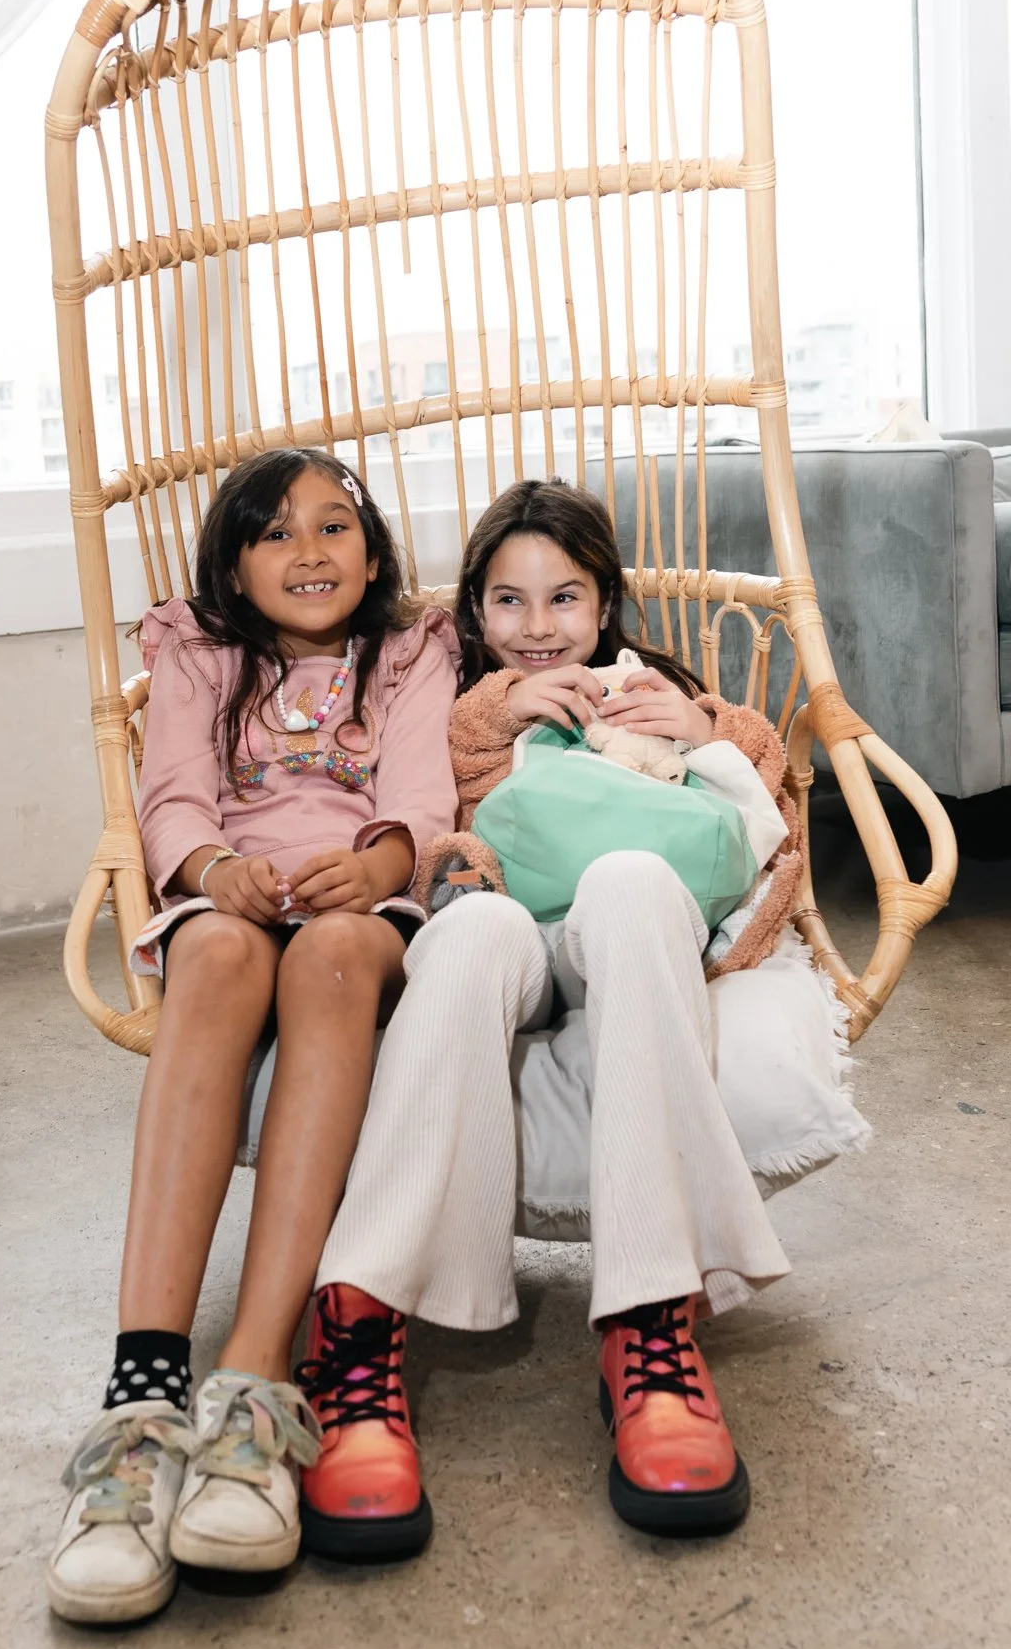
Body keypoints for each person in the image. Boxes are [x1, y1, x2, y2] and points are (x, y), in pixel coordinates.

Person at [296, 477, 802, 1563]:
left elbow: (763, 791)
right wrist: (484, 721)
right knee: (470, 939)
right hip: (503, 918)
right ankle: (357, 1322)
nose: (537, 630)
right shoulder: (441, 694)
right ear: (470, 611)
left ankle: (648, 1323)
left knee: (626, 880)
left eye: (564, 600)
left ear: (606, 601)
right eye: (507, 604)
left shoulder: (649, 683)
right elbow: (393, 813)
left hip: (627, 932)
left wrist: (703, 720)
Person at [47, 448, 458, 1627]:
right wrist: (214, 870)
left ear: (372, 555)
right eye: (275, 533)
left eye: (336, 527)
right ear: (231, 561)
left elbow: (425, 794)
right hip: (227, 893)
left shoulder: (410, 650)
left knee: (333, 952)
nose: (311, 551)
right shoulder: (196, 651)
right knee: (217, 955)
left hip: (359, 895)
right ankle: (141, 1395)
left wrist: (378, 862)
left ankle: (256, 1379)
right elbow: (169, 792)